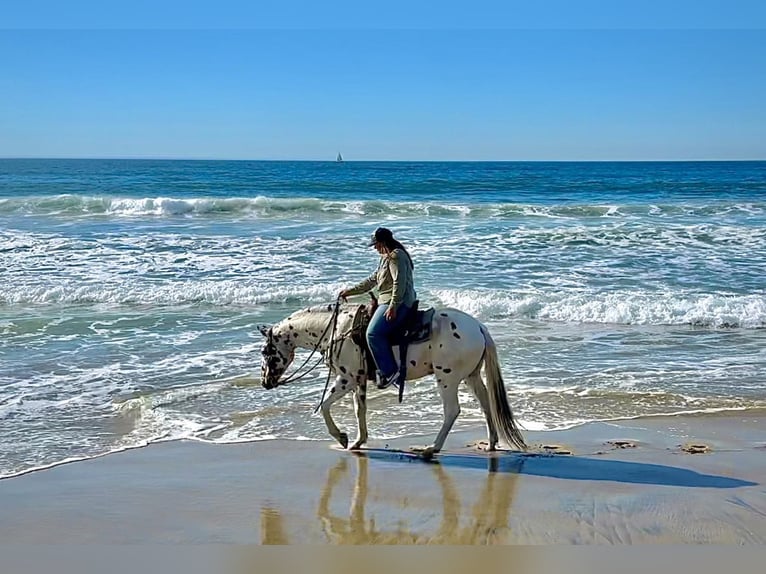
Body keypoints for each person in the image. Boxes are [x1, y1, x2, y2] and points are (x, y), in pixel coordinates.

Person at [339, 227, 417, 389]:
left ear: (383, 242)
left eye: (376, 244)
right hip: (385, 300)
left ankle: (390, 372)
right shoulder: (385, 258)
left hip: (397, 302)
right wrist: (350, 291)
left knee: (373, 333)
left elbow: (399, 283)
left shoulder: (396, 256)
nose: (374, 247)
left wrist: (393, 306)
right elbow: (372, 280)